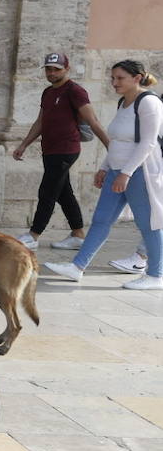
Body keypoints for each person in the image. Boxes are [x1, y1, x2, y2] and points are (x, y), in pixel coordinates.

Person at [43, 60, 162, 290]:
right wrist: (105, 167)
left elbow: (147, 143)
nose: (114, 83)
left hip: (140, 172)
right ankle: (77, 267)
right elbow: (117, 140)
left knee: (149, 223)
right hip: (118, 171)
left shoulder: (149, 103)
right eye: (112, 78)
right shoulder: (123, 102)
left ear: (137, 78)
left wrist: (125, 174)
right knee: (101, 220)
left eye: (120, 78)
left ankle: (156, 275)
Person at [11, 52, 110, 250]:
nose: (52, 73)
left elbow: (93, 121)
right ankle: (78, 235)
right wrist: (24, 144)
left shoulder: (75, 91)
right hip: (49, 149)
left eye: (56, 69)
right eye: (48, 69)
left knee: (47, 191)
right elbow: (40, 122)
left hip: (66, 150)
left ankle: (33, 235)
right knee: (64, 193)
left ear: (67, 69)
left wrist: (110, 147)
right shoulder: (48, 92)